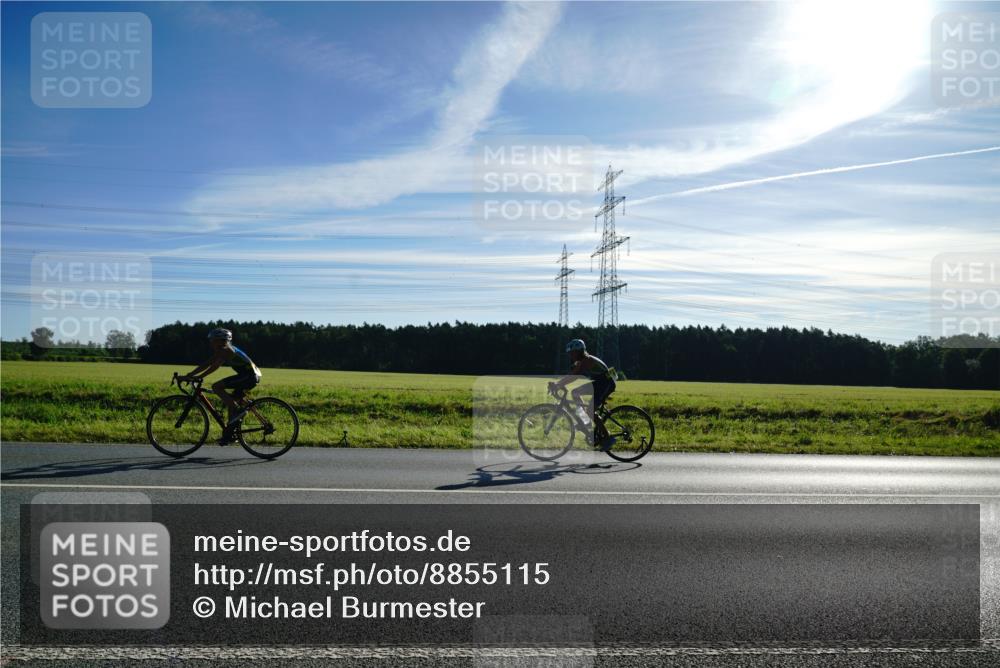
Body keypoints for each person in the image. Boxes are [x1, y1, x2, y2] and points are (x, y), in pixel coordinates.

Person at [179, 328, 261, 445]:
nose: (211, 342)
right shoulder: (222, 350)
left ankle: (238, 411)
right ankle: (229, 434)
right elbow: (207, 363)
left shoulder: (226, 350)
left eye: (213, 340)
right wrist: (190, 375)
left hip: (249, 376)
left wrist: (199, 376)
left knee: (216, 387)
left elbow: (214, 367)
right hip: (249, 375)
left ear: (221, 341)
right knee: (231, 403)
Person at [550, 339, 616, 450]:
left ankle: (607, 437)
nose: (570, 355)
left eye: (572, 353)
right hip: (600, 382)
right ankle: (586, 421)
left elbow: (573, 376)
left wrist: (558, 384)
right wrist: (558, 384)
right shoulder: (581, 361)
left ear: (579, 351)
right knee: (575, 392)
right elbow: (571, 374)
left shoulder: (586, 360)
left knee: (590, 410)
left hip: (606, 383)